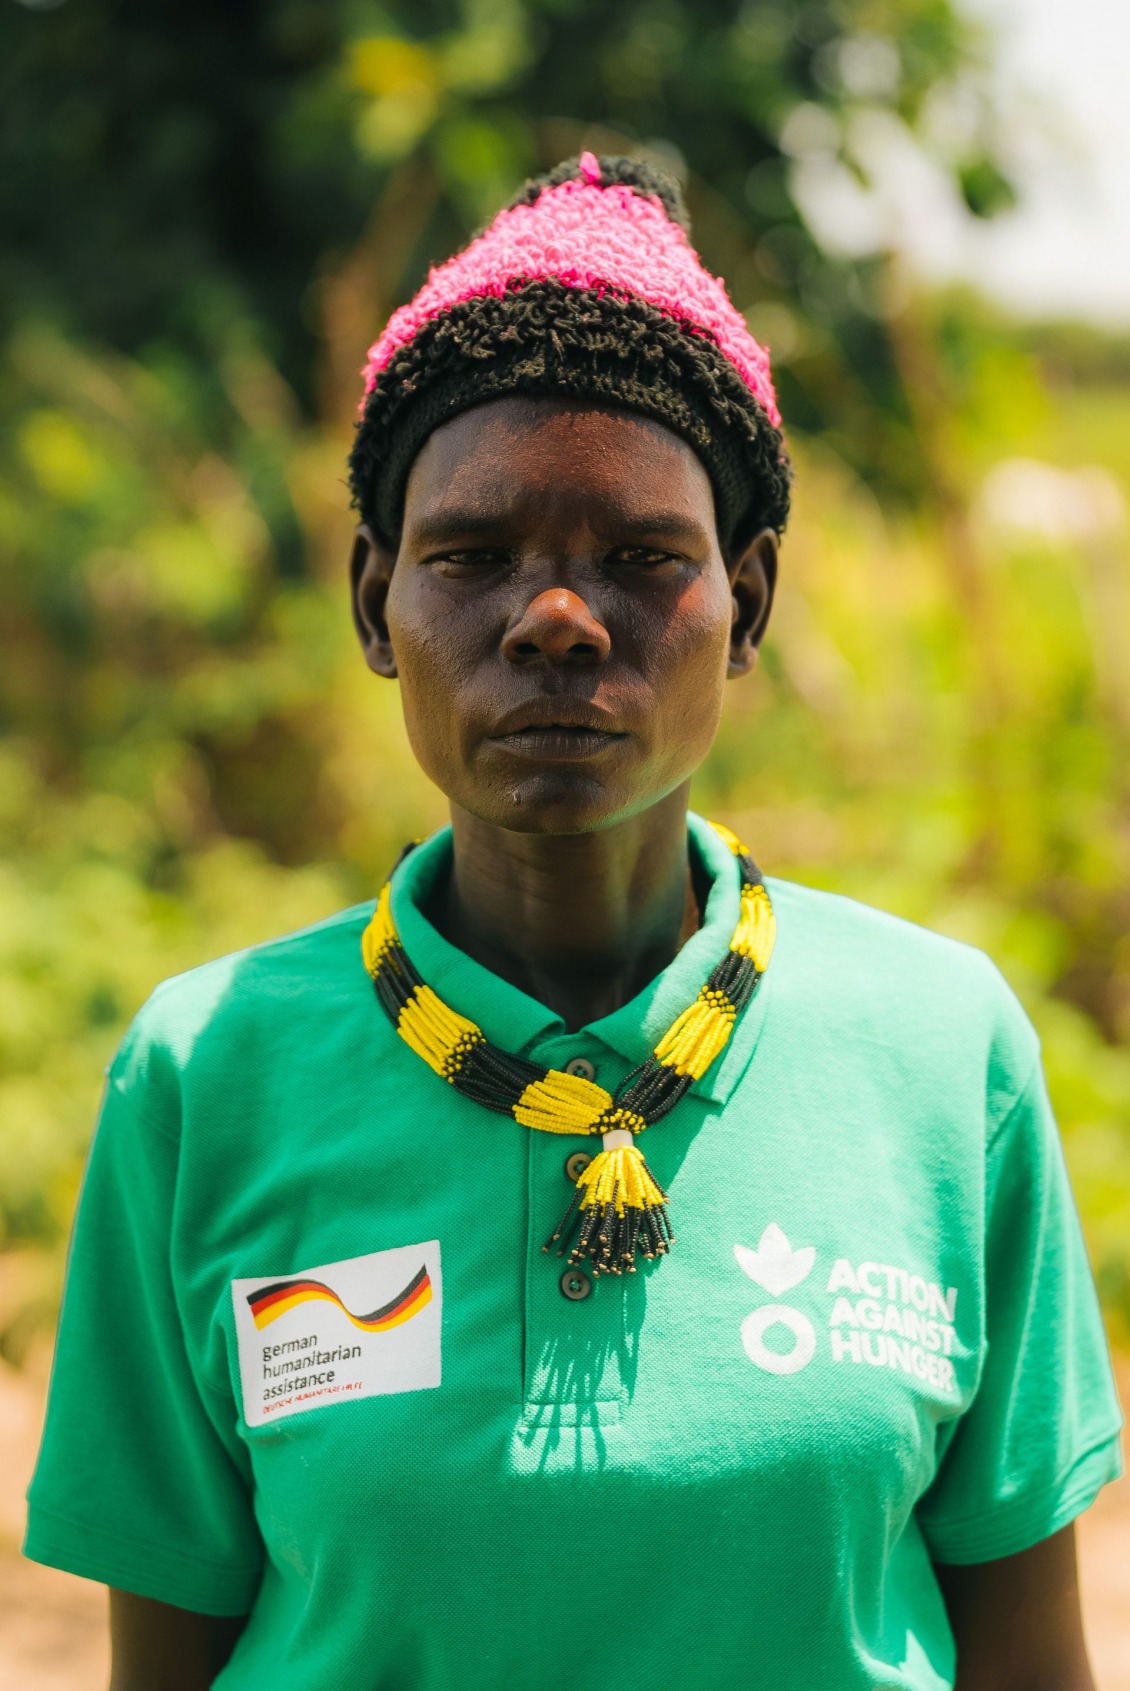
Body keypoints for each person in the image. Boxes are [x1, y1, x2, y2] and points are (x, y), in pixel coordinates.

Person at [25, 153, 1122, 1691]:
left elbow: (1027, 1655)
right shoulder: (208, 1075)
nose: (553, 619)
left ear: (746, 603)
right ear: (370, 603)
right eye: (469, 557)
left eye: (642, 560)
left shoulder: (942, 1054)